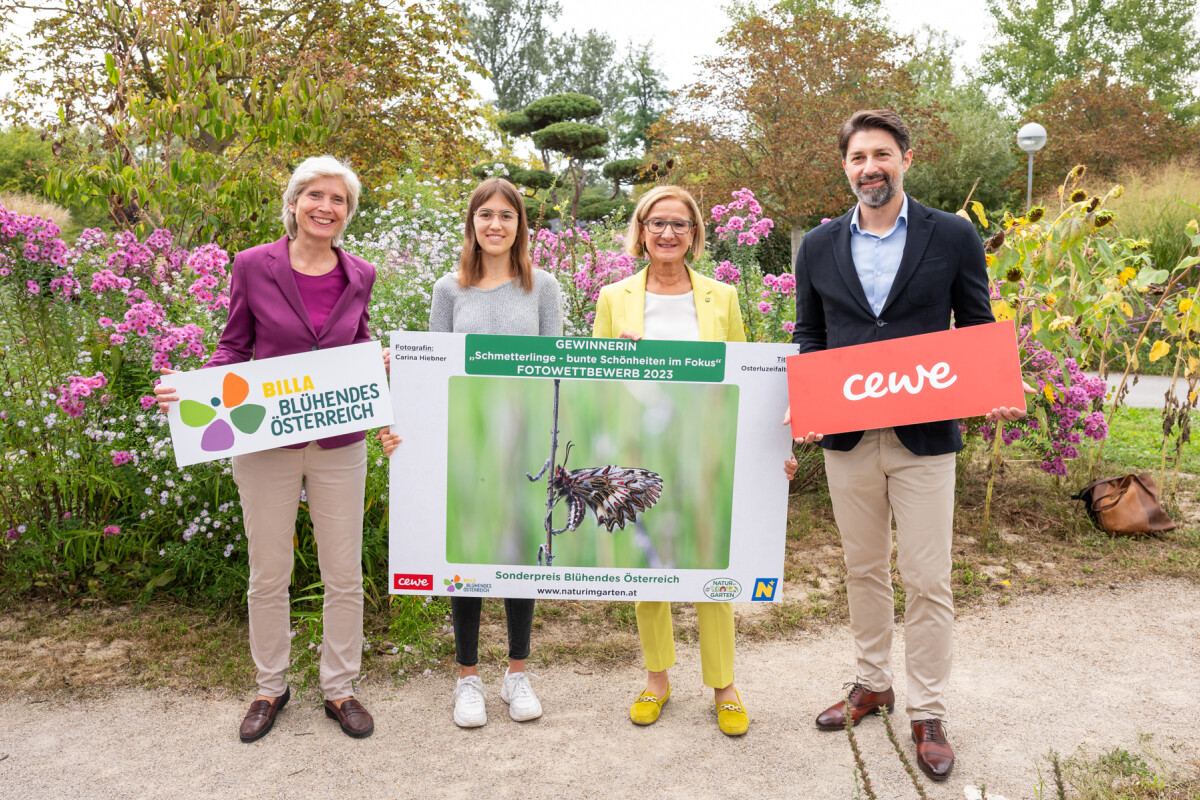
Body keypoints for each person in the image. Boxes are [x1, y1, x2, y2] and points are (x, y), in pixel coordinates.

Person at [782, 110, 1027, 780]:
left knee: (928, 578)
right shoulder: (820, 245)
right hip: (847, 437)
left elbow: (976, 325)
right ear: (845, 166)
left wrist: (995, 386)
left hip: (925, 438)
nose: (871, 167)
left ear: (906, 160)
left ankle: (927, 711)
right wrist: (804, 401)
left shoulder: (951, 234)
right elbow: (810, 333)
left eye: (883, 154)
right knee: (862, 569)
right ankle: (871, 683)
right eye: (859, 157)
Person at [154, 155, 386, 742]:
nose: (326, 208)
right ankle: (270, 686)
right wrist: (194, 393)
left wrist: (376, 362)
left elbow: (355, 340)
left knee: (342, 572)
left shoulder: (360, 273)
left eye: (338, 201)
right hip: (266, 441)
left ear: (348, 213)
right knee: (269, 571)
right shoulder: (253, 265)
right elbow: (235, 346)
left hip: (338, 440)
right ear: (294, 202)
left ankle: (340, 688)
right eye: (316, 196)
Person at [379, 177, 563, 728]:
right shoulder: (448, 290)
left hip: (524, 442)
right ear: (472, 223)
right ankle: (467, 678)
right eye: (486, 215)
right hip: (465, 438)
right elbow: (432, 371)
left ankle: (517, 673)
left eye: (507, 215)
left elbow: (558, 368)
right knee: (467, 557)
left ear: (520, 226)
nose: (496, 225)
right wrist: (401, 392)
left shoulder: (543, 287)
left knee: (517, 553)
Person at [592, 185, 752, 736]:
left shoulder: (721, 297)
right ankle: (657, 677)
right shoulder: (614, 299)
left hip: (703, 446)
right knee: (649, 560)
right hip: (638, 449)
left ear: (694, 234)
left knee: (710, 558)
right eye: (656, 223)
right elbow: (598, 381)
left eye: (679, 224)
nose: (666, 233)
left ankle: (723, 685)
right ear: (640, 231)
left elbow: (744, 376)